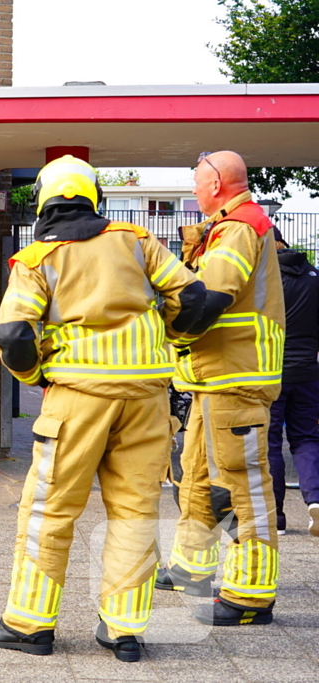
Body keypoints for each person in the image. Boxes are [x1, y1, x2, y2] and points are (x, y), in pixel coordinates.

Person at [0, 155, 208, 662]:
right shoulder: (138, 240)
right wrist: (170, 340)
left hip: (76, 400)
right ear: (93, 198)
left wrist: (35, 376)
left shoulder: (38, 259)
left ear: (43, 200)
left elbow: (14, 333)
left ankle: (30, 624)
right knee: (135, 511)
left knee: (50, 511)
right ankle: (124, 631)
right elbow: (194, 299)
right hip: (147, 398)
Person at [157, 151, 285, 627]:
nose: (193, 192)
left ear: (215, 184)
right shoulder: (229, 225)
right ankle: (191, 568)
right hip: (216, 380)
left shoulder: (238, 227)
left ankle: (252, 596)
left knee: (244, 487)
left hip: (237, 378)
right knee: (194, 476)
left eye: (196, 183)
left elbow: (210, 298)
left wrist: (170, 329)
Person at [266, 228, 319, 535]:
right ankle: (315, 501)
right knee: (307, 438)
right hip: (309, 373)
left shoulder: (266, 279)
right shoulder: (314, 275)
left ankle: (276, 519)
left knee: (271, 442)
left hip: (272, 373)